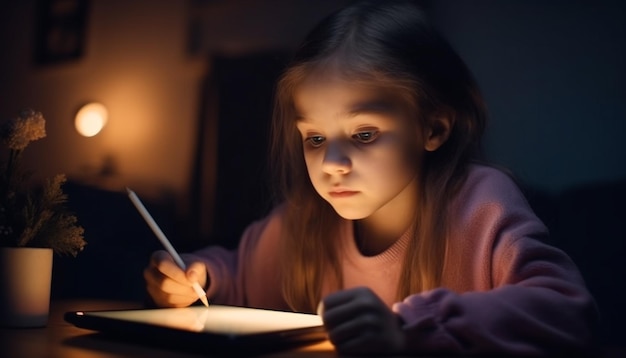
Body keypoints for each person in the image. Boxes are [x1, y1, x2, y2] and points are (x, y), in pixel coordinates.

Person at [144, 0, 599, 355]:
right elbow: (236, 275)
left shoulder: (480, 206)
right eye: (316, 138)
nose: (332, 163)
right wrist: (196, 277)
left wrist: (407, 328)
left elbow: (569, 311)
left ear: (433, 127)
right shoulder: (304, 223)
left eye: (364, 133)